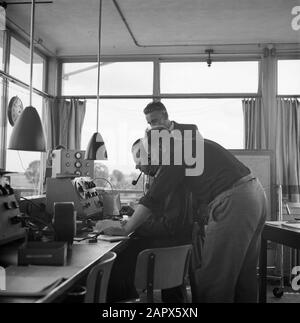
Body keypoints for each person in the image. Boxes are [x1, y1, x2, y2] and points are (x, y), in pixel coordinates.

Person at [96, 102, 267, 303]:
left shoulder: (175, 152)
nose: (142, 163)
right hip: (254, 194)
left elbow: (154, 198)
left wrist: (125, 229)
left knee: (213, 283)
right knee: (242, 279)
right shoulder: (187, 142)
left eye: (144, 154)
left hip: (234, 201)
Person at [102, 136, 193, 303]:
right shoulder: (169, 177)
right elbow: (162, 214)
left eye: (139, 160)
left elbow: (169, 226)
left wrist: (132, 226)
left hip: (167, 253)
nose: (137, 166)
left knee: (116, 257)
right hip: (175, 249)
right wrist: (135, 218)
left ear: (151, 157)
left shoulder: (170, 180)